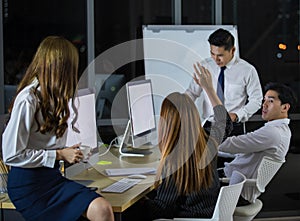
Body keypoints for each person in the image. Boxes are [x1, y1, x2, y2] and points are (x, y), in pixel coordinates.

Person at [2, 36, 114, 221]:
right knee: (101, 209)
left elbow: (48, 144)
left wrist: (70, 152)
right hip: (28, 184)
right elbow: (11, 154)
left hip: (50, 177)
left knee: (102, 210)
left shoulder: (55, 97)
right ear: (60, 68)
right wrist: (59, 155)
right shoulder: (28, 99)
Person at [125, 64, 232, 220]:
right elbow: (225, 122)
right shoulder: (207, 141)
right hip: (208, 215)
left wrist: (139, 199)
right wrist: (209, 89)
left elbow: (161, 210)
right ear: (193, 116)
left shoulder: (174, 161)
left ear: (166, 124)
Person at [218, 82, 297, 205]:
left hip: (234, 190)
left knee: (183, 182)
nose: (264, 105)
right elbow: (239, 149)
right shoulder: (280, 130)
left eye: (270, 101)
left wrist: (203, 138)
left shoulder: (273, 133)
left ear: (285, 107)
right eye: (264, 100)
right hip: (234, 184)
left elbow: (231, 145)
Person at [186, 28, 263, 136]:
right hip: (209, 125)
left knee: (233, 153)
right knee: (205, 153)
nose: (215, 59)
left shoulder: (247, 70)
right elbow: (192, 92)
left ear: (232, 50)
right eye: (212, 54)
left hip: (234, 126)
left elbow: (257, 100)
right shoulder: (206, 66)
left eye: (220, 55)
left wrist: (237, 115)